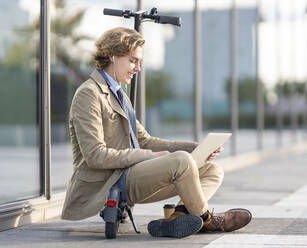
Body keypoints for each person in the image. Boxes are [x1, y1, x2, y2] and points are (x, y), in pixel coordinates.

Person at [61, 27, 251, 238]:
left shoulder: (118, 94)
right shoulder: (89, 94)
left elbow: (145, 140)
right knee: (181, 162)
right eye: (133, 60)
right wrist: (150, 156)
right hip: (110, 180)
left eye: (139, 62)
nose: (138, 68)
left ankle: (178, 217)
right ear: (112, 56)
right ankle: (208, 220)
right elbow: (96, 156)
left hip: (131, 173)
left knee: (211, 169)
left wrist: (194, 148)